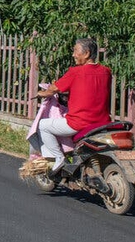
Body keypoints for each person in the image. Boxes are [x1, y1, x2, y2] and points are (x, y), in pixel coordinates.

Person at [30, 38, 112, 175]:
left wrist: (42, 93)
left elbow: (53, 89)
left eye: (75, 51)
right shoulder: (106, 72)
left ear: (86, 54)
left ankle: (59, 157)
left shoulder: (76, 72)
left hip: (79, 123)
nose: (73, 55)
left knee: (43, 125)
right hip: (102, 122)